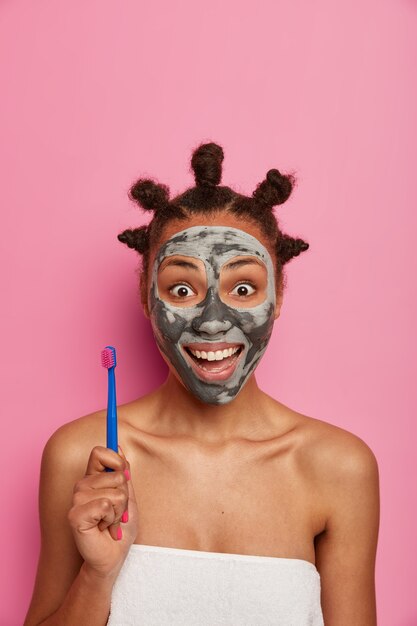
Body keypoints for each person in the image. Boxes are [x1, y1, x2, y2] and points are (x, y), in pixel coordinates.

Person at [24, 142, 380, 625]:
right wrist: (98, 575)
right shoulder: (85, 455)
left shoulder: (338, 467)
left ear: (277, 298)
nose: (213, 322)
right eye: (183, 290)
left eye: (244, 288)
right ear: (147, 300)